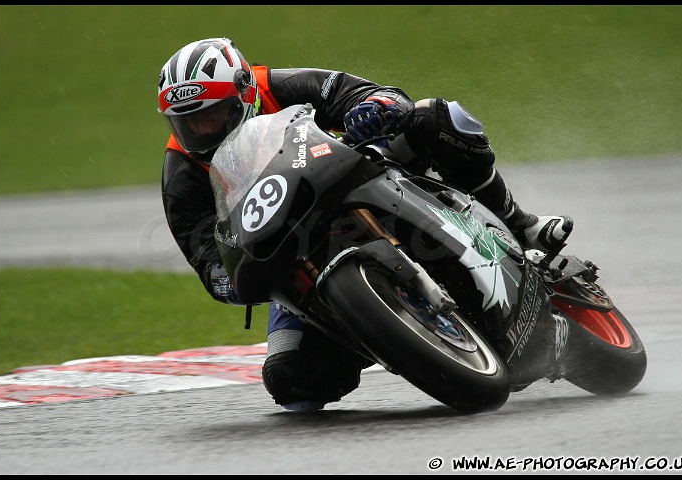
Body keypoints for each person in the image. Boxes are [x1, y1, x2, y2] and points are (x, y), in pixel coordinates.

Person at [157, 37, 573, 412]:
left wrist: (375, 108)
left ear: (244, 95)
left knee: (435, 119)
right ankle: (377, 331)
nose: (201, 131)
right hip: (294, 255)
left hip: (352, 174)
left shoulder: (280, 86)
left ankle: (518, 223)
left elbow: (374, 94)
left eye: (213, 116)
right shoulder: (182, 174)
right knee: (291, 380)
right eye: (187, 122)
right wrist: (235, 277)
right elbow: (207, 263)